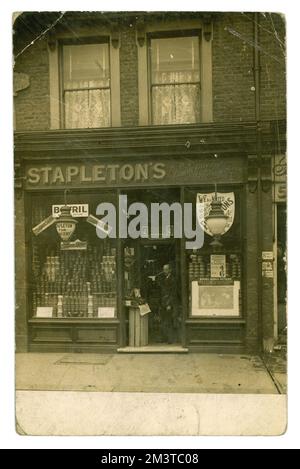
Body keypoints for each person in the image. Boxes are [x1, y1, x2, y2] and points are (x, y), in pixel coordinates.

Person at [156, 264, 178, 344]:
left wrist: (169, 304)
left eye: (166, 269)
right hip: (164, 302)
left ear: (170, 270)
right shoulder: (165, 278)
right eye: (163, 269)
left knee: (169, 321)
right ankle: (165, 337)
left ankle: (170, 339)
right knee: (164, 320)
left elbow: (173, 293)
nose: (164, 271)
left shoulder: (172, 279)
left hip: (169, 303)